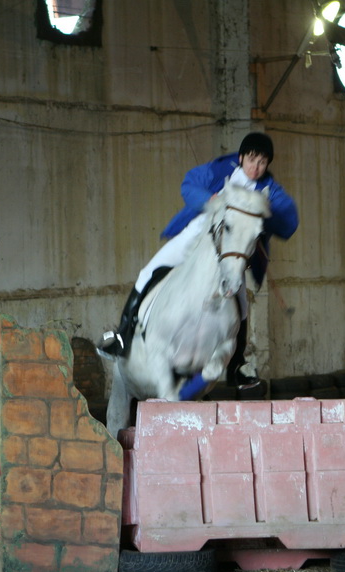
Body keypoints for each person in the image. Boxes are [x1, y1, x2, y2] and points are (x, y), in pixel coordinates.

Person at [99, 132, 299, 387]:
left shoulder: (269, 189)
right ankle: (123, 336)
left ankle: (237, 365)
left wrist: (265, 210)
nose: (256, 168)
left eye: (262, 163)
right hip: (194, 235)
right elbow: (189, 184)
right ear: (241, 158)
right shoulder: (220, 169)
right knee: (147, 272)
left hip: (228, 253)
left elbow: (290, 220)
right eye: (251, 160)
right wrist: (209, 199)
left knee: (242, 303)